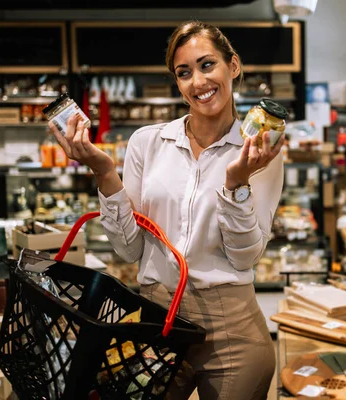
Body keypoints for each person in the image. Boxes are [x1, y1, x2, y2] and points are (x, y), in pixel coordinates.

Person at [49, 20, 285, 400]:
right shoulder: (148, 142)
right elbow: (128, 250)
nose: (198, 82)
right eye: (184, 72)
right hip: (156, 320)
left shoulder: (259, 153)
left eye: (207, 65)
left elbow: (244, 258)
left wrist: (236, 183)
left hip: (233, 335)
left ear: (233, 66)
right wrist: (104, 171)